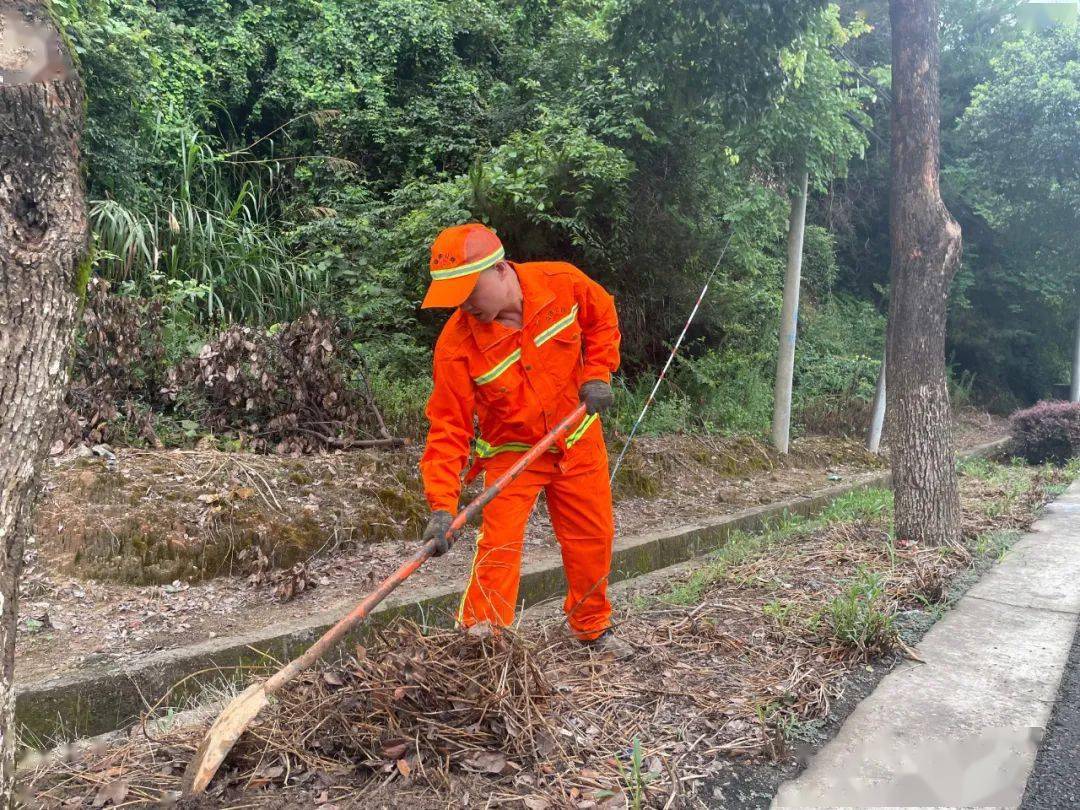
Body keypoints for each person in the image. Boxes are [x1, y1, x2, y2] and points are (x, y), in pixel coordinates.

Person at [418, 222, 631, 657]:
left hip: (578, 437)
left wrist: (597, 373)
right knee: (499, 546)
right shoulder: (456, 346)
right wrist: (442, 505)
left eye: (468, 291)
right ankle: (481, 645)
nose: (463, 306)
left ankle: (592, 628)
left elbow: (603, 319)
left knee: (593, 538)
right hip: (513, 453)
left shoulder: (563, 283)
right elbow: (448, 427)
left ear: (499, 270)